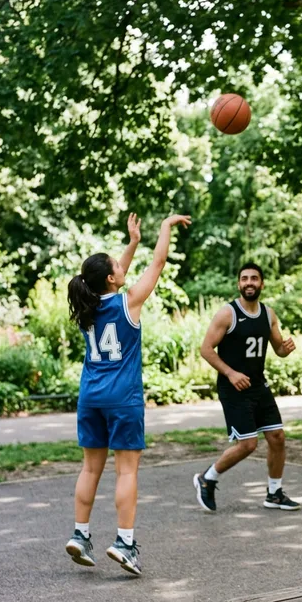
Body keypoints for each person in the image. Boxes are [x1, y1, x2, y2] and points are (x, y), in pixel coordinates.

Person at [65, 213, 192, 575]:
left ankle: (80, 533)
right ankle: (124, 543)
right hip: (123, 399)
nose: (122, 267)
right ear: (111, 278)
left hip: (90, 397)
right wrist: (163, 226)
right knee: (126, 472)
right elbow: (160, 262)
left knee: (91, 467)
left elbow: (116, 271)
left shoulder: (87, 309)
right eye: (116, 266)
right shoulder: (129, 301)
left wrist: (133, 241)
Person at [194, 261, 299, 513]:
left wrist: (285, 349)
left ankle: (274, 493)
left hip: (258, 385)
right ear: (239, 284)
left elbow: (278, 349)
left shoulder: (268, 314)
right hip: (233, 388)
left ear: (261, 283)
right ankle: (206, 478)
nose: (249, 283)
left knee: (277, 437)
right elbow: (206, 350)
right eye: (244, 279)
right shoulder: (227, 314)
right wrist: (230, 373)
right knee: (248, 444)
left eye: (254, 278)